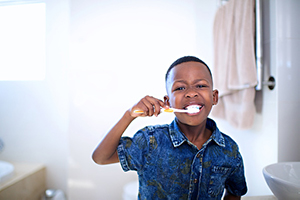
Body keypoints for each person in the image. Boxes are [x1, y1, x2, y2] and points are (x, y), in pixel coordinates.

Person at [92, 56, 247, 199]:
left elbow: (234, 193)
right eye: (180, 88)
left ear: (214, 97)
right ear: (168, 102)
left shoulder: (230, 150)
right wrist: (129, 115)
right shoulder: (150, 141)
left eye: (200, 85)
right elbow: (100, 157)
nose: (191, 93)